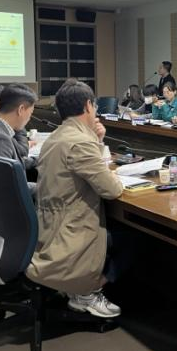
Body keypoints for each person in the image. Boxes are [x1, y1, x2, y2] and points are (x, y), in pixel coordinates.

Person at [27, 79, 128, 318]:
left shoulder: (57, 136)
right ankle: (88, 291)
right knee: (133, 237)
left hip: (51, 226)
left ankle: (82, 287)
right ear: (88, 106)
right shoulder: (80, 142)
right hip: (70, 231)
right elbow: (112, 190)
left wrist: (97, 140)